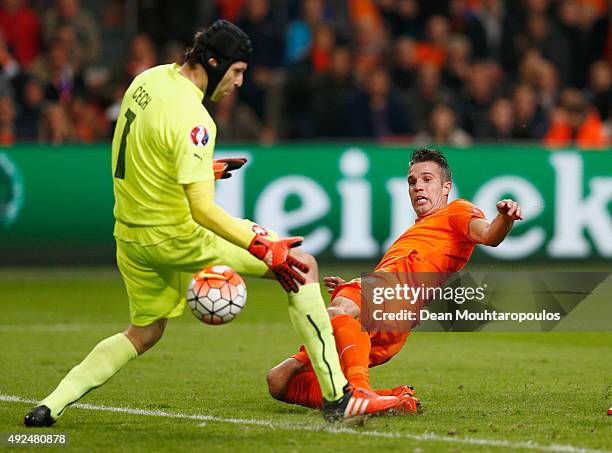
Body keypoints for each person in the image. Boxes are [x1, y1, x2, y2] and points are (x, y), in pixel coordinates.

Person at [23, 20, 399, 427]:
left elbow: (138, 149)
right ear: (214, 63)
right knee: (302, 265)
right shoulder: (196, 119)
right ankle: (339, 397)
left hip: (131, 238)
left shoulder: (148, 81)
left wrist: (204, 169)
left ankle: (50, 405)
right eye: (236, 72)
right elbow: (203, 210)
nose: (238, 82)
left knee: (144, 333)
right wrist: (260, 245)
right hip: (177, 236)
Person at [266, 148, 523, 413]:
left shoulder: (458, 211)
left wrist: (504, 219)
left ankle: (358, 391)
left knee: (339, 309)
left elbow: (490, 235)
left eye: (426, 179)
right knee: (279, 381)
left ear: (446, 187)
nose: (417, 187)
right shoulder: (416, 231)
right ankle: (393, 399)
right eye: (412, 182)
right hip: (389, 313)